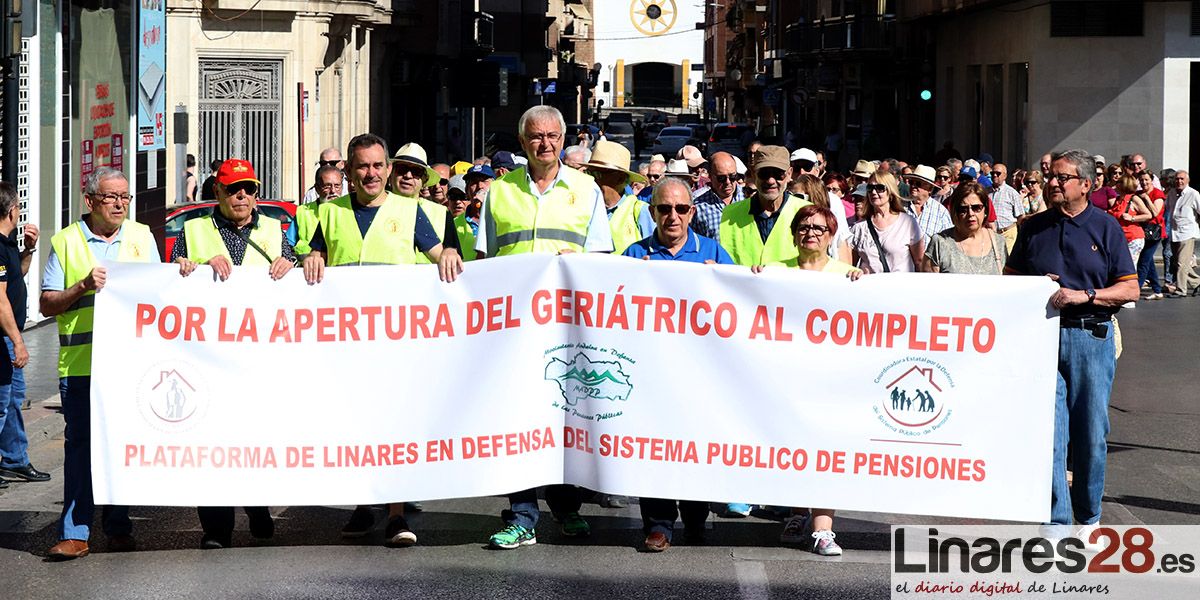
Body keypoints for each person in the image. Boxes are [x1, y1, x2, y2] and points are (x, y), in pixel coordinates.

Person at [301, 134, 463, 548]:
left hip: (395, 346)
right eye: (361, 167)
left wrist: (445, 255)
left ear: (387, 170)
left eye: (377, 166)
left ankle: (395, 514)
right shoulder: (331, 212)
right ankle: (364, 502)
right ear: (348, 172)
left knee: (394, 428)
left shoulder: (410, 213)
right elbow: (317, 255)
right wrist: (310, 257)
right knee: (357, 427)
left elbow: (439, 254)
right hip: (347, 346)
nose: (370, 174)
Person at [474, 106, 613, 549]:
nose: (545, 143)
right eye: (536, 136)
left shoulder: (586, 189)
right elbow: (486, 261)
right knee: (519, 421)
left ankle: (567, 507)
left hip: (567, 329)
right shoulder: (500, 192)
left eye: (553, 136)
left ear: (563, 138)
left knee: (566, 422)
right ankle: (522, 515)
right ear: (522, 142)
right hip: (514, 330)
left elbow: (599, 261)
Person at [1004, 149, 1138, 541]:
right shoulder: (1032, 227)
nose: (1053, 183)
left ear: (1085, 184)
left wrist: (1086, 295)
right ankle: (1055, 520)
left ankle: (1088, 517)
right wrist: (1033, 286)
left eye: (1063, 178)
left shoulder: (1107, 227)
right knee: (1049, 431)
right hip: (1042, 338)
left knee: (1091, 432)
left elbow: (1130, 288)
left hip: (1090, 336)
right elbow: (1008, 279)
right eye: (1052, 177)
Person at [170, 159, 293, 549]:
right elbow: (170, 279)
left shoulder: (275, 230)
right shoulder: (194, 230)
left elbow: (300, 272)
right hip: (208, 359)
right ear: (217, 193)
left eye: (250, 189)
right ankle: (217, 528)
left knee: (254, 440)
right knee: (211, 443)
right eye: (234, 189)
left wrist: (289, 264)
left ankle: (257, 507)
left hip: (260, 360)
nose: (243, 196)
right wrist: (195, 265)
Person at [42, 167, 161, 560]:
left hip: (129, 367)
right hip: (81, 368)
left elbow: (161, 294)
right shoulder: (66, 242)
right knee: (80, 450)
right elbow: (46, 303)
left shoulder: (142, 238)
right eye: (111, 197)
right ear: (90, 201)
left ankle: (119, 526)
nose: (120, 204)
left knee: (121, 446)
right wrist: (82, 286)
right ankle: (76, 532)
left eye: (125, 197)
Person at [622, 177, 727, 551]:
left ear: (692, 212)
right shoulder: (634, 255)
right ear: (652, 212)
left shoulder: (713, 253)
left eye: (681, 209)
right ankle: (659, 524)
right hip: (652, 374)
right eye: (664, 209)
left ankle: (697, 518)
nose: (672, 216)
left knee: (696, 448)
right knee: (654, 448)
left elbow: (743, 307)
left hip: (700, 375)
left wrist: (734, 279)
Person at [0, 182, 44, 491]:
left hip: (9, 335)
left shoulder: (7, 246)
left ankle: (15, 460)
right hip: (4, 338)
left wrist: (28, 250)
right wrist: (17, 340)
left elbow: (19, 275)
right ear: (12, 210)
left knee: (14, 400)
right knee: (2, 404)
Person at [719, 145, 811, 268]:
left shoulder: (807, 213)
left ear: (789, 174)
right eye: (764, 173)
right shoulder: (729, 214)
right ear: (753, 173)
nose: (771, 180)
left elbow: (821, 261)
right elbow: (722, 261)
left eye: (778, 174)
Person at [922, 181, 1008, 275]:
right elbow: (929, 286)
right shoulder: (940, 243)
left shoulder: (999, 242)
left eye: (976, 208)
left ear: (986, 210)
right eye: (963, 209)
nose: (970, 214)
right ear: (955, 212)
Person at [582, 141, 652, 255]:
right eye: (589, 173)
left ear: (620, 178)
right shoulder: (581, 207)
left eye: (597, 174)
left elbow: (655, 256)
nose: (592, 179)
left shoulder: (640, 211)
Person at [850, 171, 924, 273]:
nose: (874, 192)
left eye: (880, 188)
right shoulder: (859, 227)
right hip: (870, 287)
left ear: (890, 191)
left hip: (900, 287)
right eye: (870, 188)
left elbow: (919, 262)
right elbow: (849, 266)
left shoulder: (908, 223)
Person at [791, 174, 851, 262]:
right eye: (791, 197)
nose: (792, 201)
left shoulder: (834, 229)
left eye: (799, 197)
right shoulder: (784, 220)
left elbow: (846, 265)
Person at [1107, 175, 1151, 283]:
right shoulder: (1118, 199)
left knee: (1129, 265)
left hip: (1133, 237)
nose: (1115, 185)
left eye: (1118, 183)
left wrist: (1132, 218)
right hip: (1122, 238)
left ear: (1124, 185)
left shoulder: (1133, 199)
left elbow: (1148, 215)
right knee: (1120, 264)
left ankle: (1130, 288)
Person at [295, 164, 346, 255]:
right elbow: (287, 245)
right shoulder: (303, 213)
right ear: (317, 188)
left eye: (337, 186)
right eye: (327, 186)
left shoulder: (350, 211)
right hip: (310, 267)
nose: (333, 191)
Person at [1166, 170, 1200, 296]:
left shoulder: (1193, 194)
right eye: (1177, 179)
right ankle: (1197, 282)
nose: (1179, 181)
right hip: (1175, 232)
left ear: (1187, 180)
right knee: (1179, 262)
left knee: (1181, 263)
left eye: (1182, 179)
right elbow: (1168, 209)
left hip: (1187, 233)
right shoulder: (1172, 193)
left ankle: (1181, 290)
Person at [692, 152, 741, 240]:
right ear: (710, 177)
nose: (728, 182)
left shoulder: (748, 197)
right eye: (721, 178)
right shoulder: (698, 207)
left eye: (733, 176)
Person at [1133, 170, 1166, 299]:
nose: (1144, 182)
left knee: (1143, 261)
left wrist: (1146, 198)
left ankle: (1135, 290)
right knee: (1149, 261)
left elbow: (1156, 213)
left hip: (1154, 231)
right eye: (1141, 180)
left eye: (1146, 179)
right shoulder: (1139, 193)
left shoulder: (1158, 194)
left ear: (1151, 180)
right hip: (1143, 230)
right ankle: (1157, 290)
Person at [902, 165, 953, 248]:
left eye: (918, 183)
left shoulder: (941, 212)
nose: (913, 186)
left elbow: (949, 243)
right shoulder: (900, 206)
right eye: (911, 182)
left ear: (930, 189)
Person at [989, 163, 1023, 249]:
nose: (995, 175)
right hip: (991, 233)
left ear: (1005, 175)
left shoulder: (1012, 193)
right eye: (992, 173)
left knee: (1007, 260)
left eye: (998, 173)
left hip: (1007, 233)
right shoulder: (986, 192)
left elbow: (1020, 216)